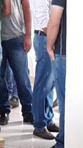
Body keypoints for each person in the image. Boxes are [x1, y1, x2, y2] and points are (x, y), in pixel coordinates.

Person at [0, 0, 33, 126]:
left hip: (16, 37)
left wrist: (28, 35)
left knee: (22, 78)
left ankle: (28, 111)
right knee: (0, 80)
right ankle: (3, 112)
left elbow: (27, 7)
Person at [39, 0, 65, 148]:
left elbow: (54, 21)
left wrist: (49, 46)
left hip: (63, 51)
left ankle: (62, 144)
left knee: (63, 100)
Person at [30, 0, 58, 140]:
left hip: (48, 37)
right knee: (42, 83)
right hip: (44, 37)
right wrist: (54, 37)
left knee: (50, 83)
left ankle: (48, 119)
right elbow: (42, 19)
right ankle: (39, 125)